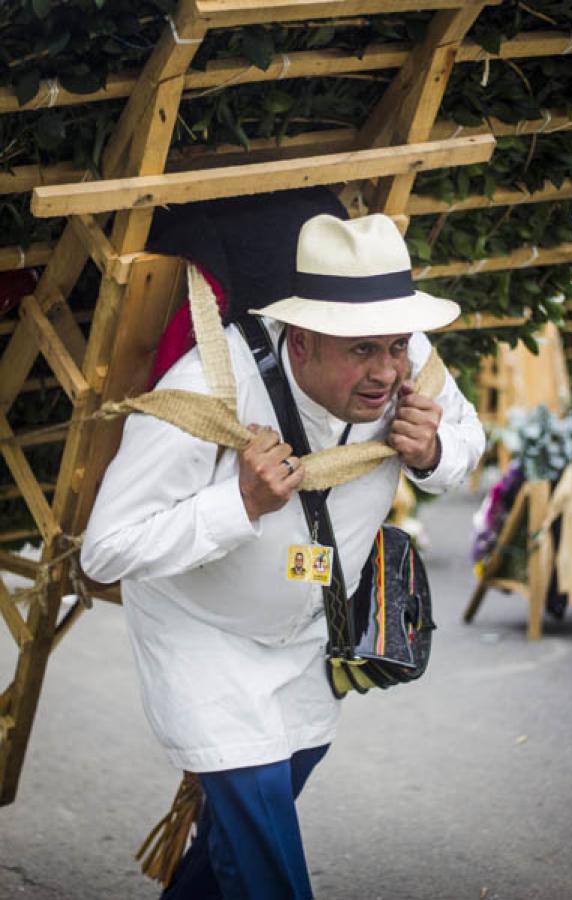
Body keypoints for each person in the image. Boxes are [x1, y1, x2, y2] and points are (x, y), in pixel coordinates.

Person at [81, 213, 485, 900]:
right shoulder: (206, 388)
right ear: (298, 341)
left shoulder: (409, 362)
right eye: (361, 350)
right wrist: (237, 505)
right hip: (203, 641)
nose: (386, 371)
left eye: (394, 345)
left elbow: (467, 437)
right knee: (263, 843)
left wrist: (436, 450)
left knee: (242, 838)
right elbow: (106, 551)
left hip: (306, 643)